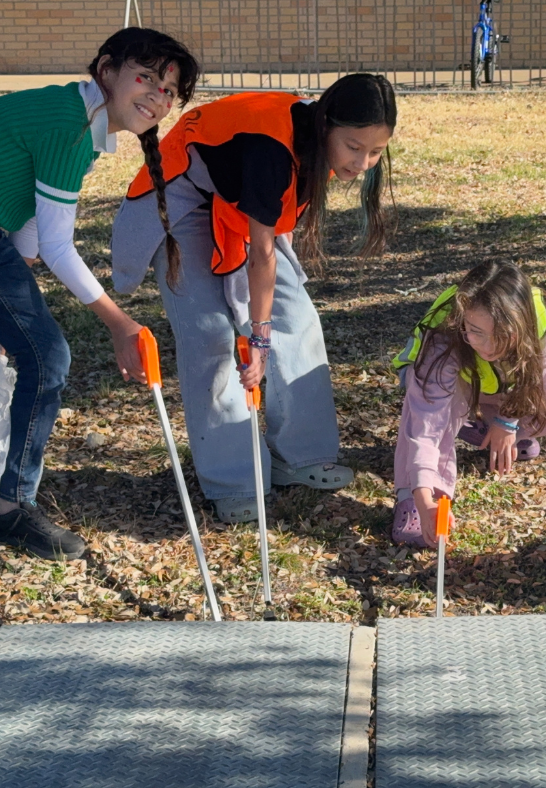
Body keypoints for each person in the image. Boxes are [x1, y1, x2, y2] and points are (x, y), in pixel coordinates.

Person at [0, 28, 199, 633]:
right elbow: (62, 244)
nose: (158, 98)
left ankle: (7, 505)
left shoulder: (86, 120)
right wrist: (119, 324)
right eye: (147, 78)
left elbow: (38, 221)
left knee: (48, 356)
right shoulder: (71, 123)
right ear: (108, 68)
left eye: (170, 91)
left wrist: (24, 249)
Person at [112, 73, 397, 524]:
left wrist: (267, 328)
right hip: (187, 198)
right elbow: (261, 254)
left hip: (240, 201)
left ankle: (301, 457)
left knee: (297, 318)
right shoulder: (272, 151)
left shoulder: (313, 142)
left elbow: (265, 248)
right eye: (353, 147)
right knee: (209, 333)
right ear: (325, 126)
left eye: (375, 151)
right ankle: (234, 479)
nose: (362, 163)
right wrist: (258, 340)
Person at [391, 260, 546, 547]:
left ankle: (490, 433)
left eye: (502, 335)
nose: (487, 347)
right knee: (434, 415)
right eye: (475, 331)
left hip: (496, 386)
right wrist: (423, 496)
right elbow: (426, 422)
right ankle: (409, 494)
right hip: (445, 382)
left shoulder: (537, 316)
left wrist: (509, 422)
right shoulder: (445, 333)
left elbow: (535, 373)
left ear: (521, 322)